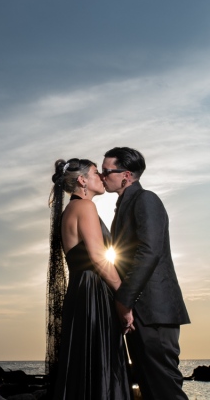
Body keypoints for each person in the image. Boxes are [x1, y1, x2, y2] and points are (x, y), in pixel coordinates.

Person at [102, 147, 190, 400]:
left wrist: (124, 301)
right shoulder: (125, 204)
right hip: (140, 312)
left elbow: (149, 251)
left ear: (126, 175)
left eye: (108, 171)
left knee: (165, 388)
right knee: (149, 387)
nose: (103, 175)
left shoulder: (146, 199)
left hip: (154, 311)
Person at [47, 158, 130, 400]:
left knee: (85, 362)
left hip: (81, 292)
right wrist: (124, 297)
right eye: (96, 173)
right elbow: (97, 257)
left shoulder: (70, 210)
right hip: (92, 292)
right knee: (101, 361)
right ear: (82, 180)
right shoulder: (85, 207)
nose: (102, 177)